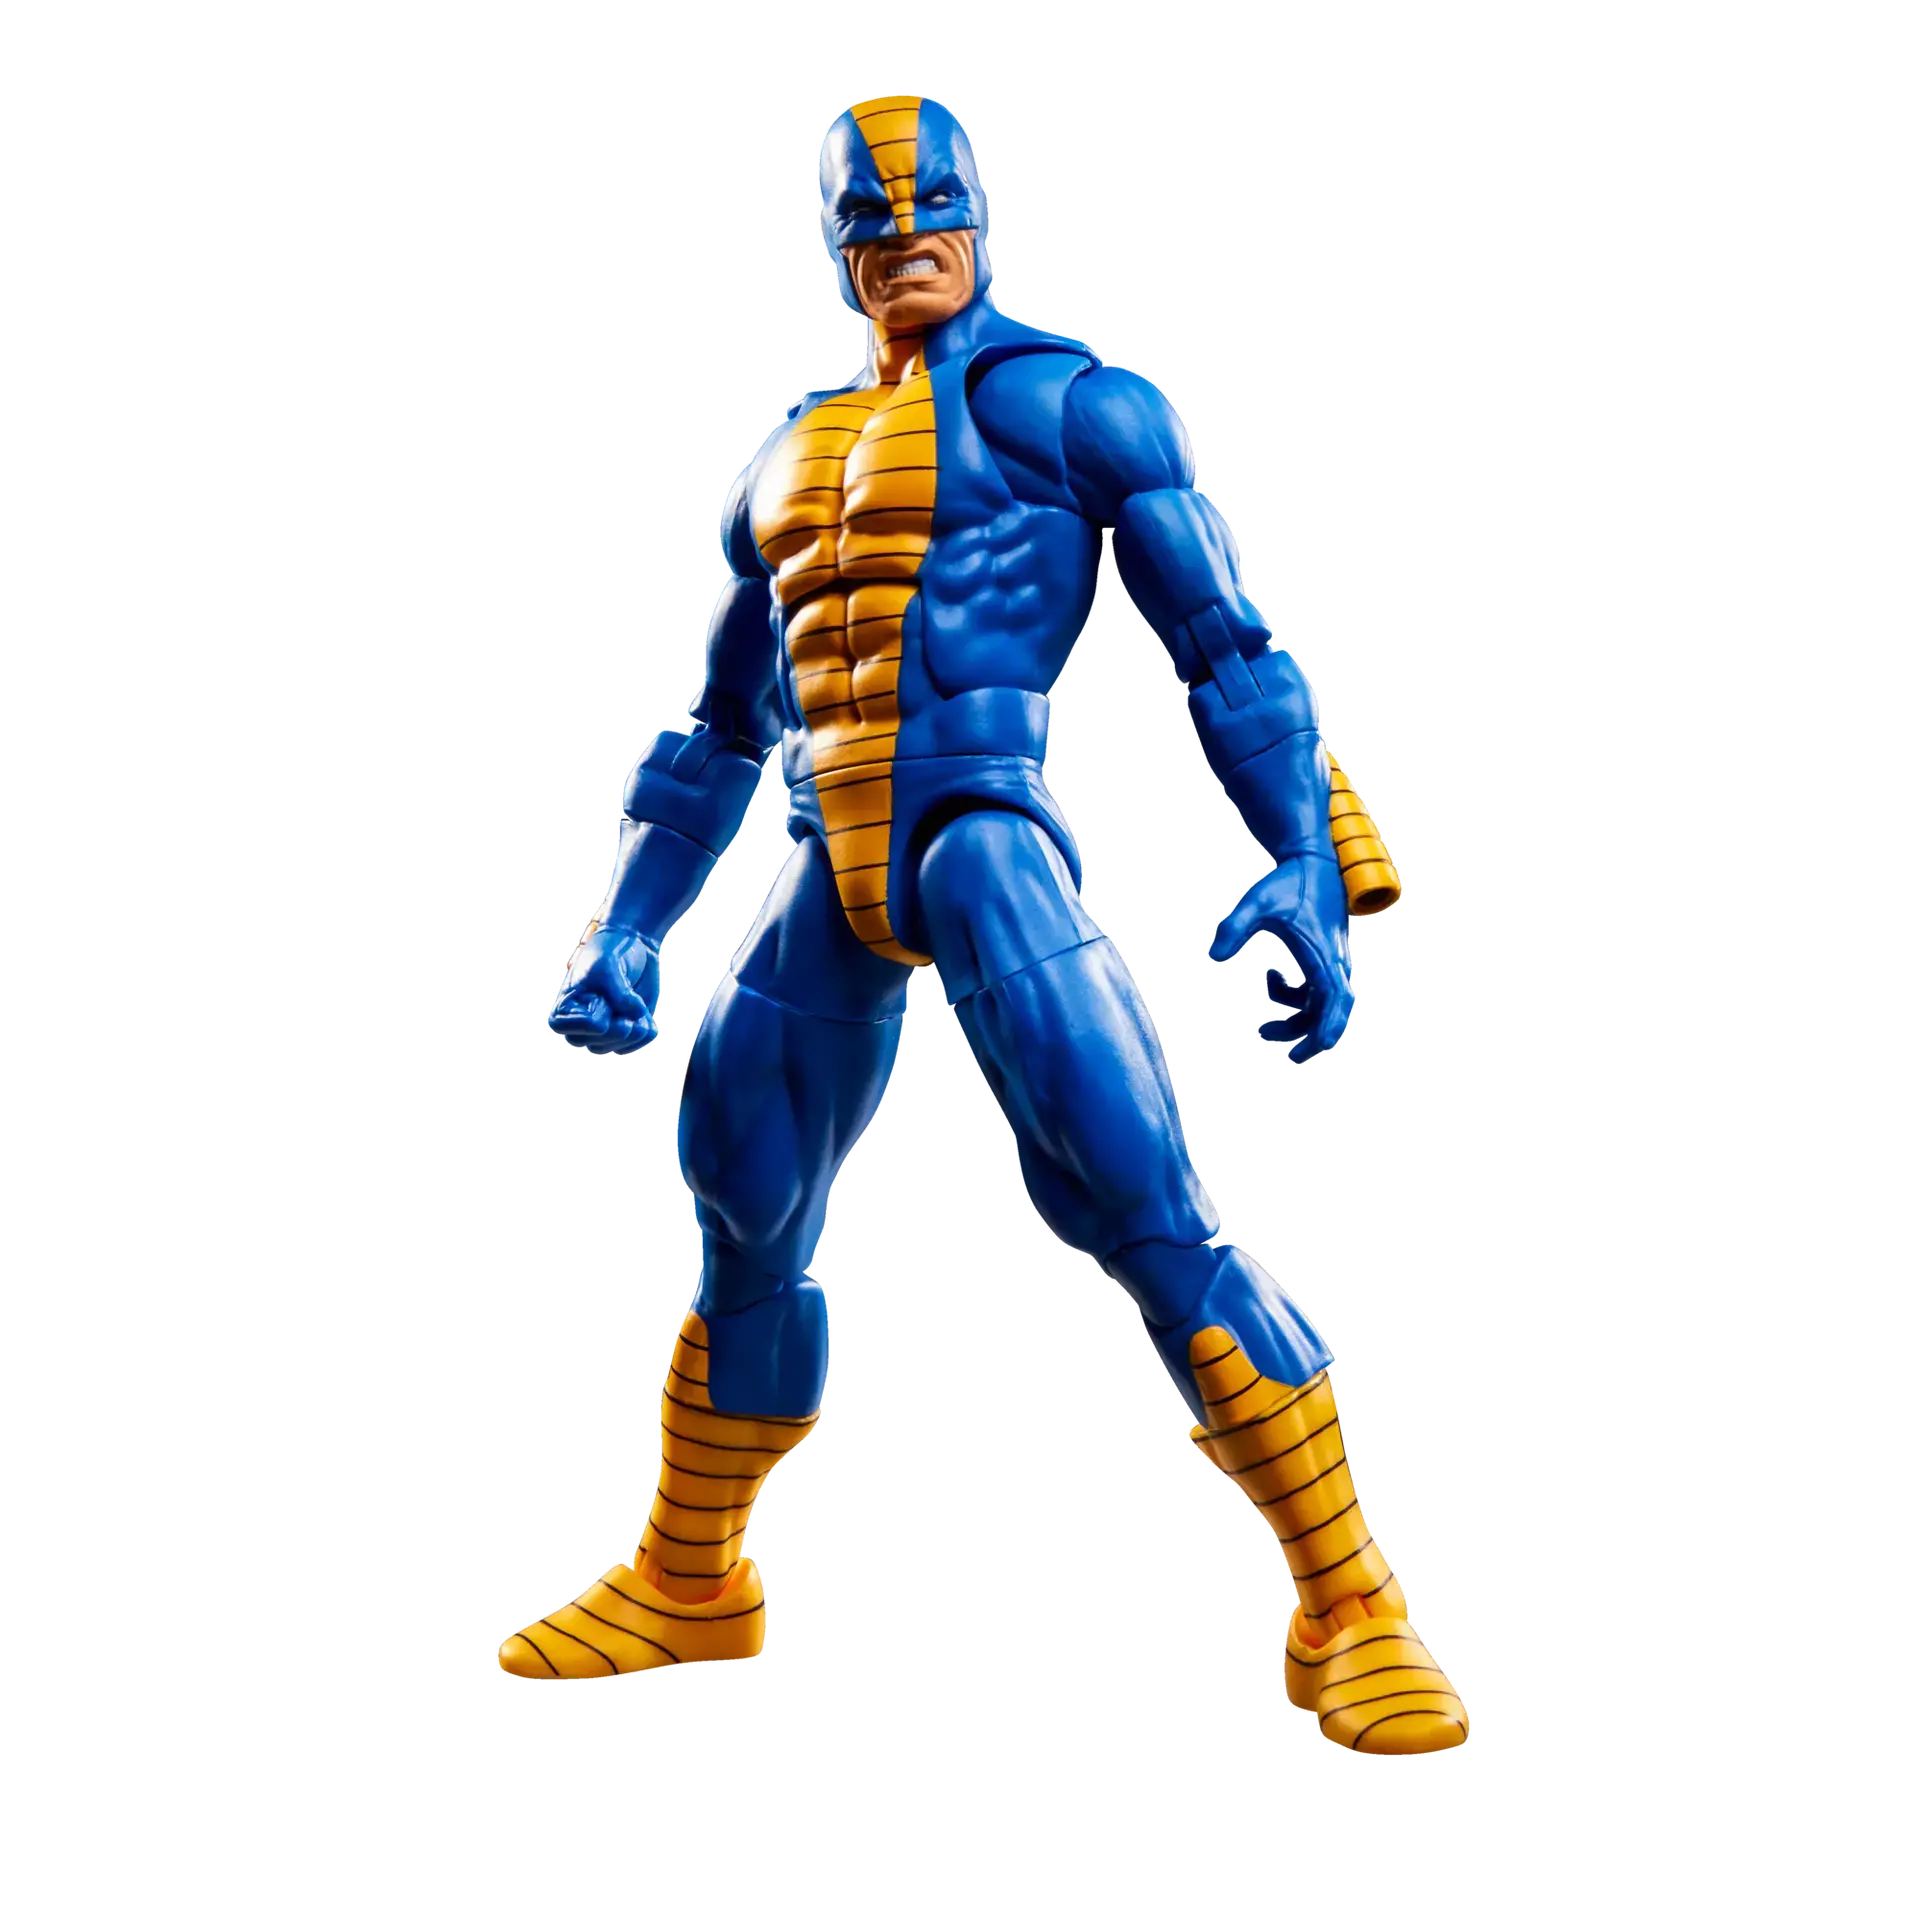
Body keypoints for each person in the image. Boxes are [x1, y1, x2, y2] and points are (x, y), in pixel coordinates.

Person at [503, 93, 1469, 1759]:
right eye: (869, 218)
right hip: (830, 850)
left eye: (931, 204)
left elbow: (1226, 645)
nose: (905, 239)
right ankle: (688, 1578)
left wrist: (1308, 855)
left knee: (1135, 1194)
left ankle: (1354, 1604)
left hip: (981, 829)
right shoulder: (784, 457)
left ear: (980, 207)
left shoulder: (1075, 407)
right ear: (832, 242)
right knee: (738, 1188)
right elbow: (719, 728)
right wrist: (628, 924)